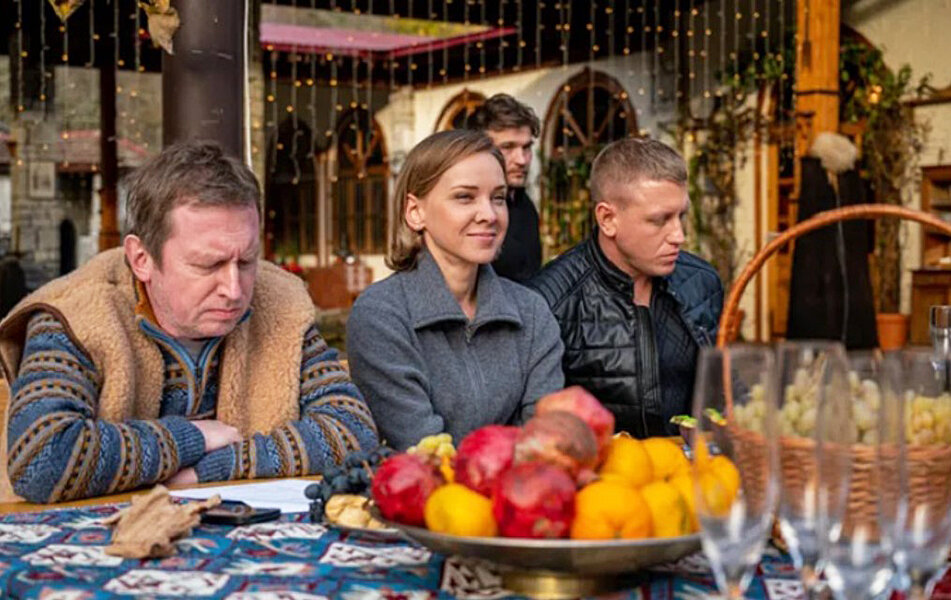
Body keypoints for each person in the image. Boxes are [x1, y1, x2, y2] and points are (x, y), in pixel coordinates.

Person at [0, 141, 378, 503]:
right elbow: (41, 461)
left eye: (246, 261)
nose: (234, 289)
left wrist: (213, 469)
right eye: (208, 265)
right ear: (142, 259)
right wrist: (192, 437)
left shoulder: (282, 304)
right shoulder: (74, 316)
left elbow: (353, 431)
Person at [346, 129, 564, 450]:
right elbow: (425, 449)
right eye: (465, 197)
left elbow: (544, 441)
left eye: (498, 198)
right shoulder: (381, 316)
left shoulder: (531, 312)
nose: (489, 215)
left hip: (523, 481)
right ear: (415, 212)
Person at [528, 138, 723, 438]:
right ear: (607, 219)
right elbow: (538, 425)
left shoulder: (701, 282)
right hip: (599, 467)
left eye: (680, 216)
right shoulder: (549, 301)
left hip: (690, 464)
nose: (679, 235)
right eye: (659, 220)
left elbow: (721, 393)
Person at [469, 94, 542, 283]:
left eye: (526, 147)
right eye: (508, 147)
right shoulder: (465, 211)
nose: (522, 160)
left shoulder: (525, 205)